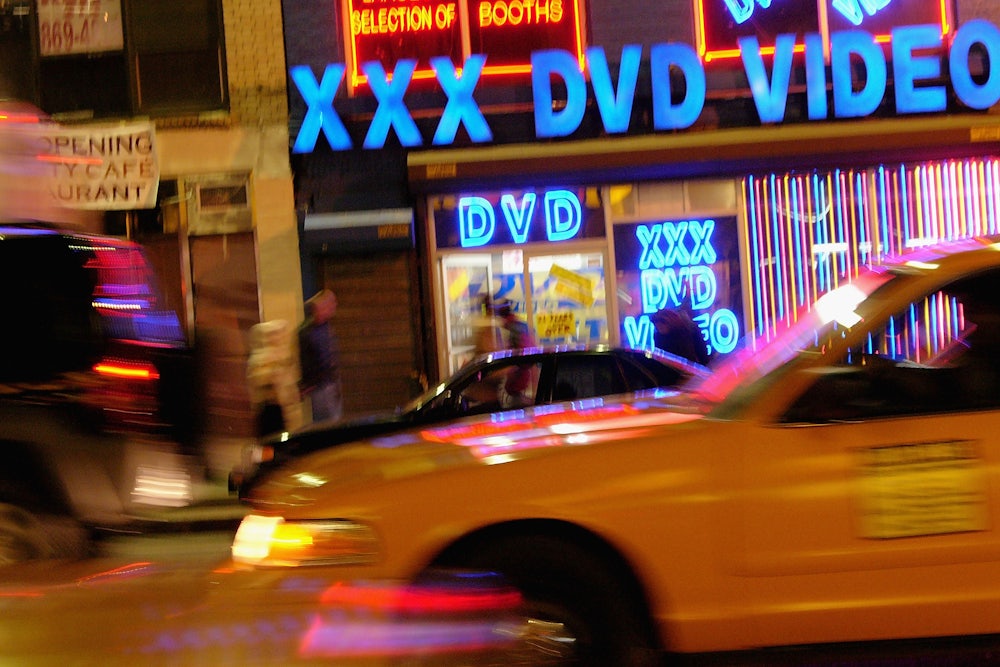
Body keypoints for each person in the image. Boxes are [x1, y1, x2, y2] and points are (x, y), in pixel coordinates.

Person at [246, 319, 303, 436]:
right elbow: (258, 380)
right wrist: (272, 374)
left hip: (284, 409)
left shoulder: (284, 355)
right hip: (269, 408)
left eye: (280, 333)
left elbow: (290, 381)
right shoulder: (260, 358)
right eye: (275, 334)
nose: (279, 337)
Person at [298, 289, 343, 423]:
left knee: (334, 421)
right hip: (321, 387)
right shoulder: (308, 332)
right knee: (329, 424)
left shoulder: (325, 327)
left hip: (330, 384)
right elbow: (307, 361)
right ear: (321, 306)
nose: (334, 306)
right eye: (331, 303)